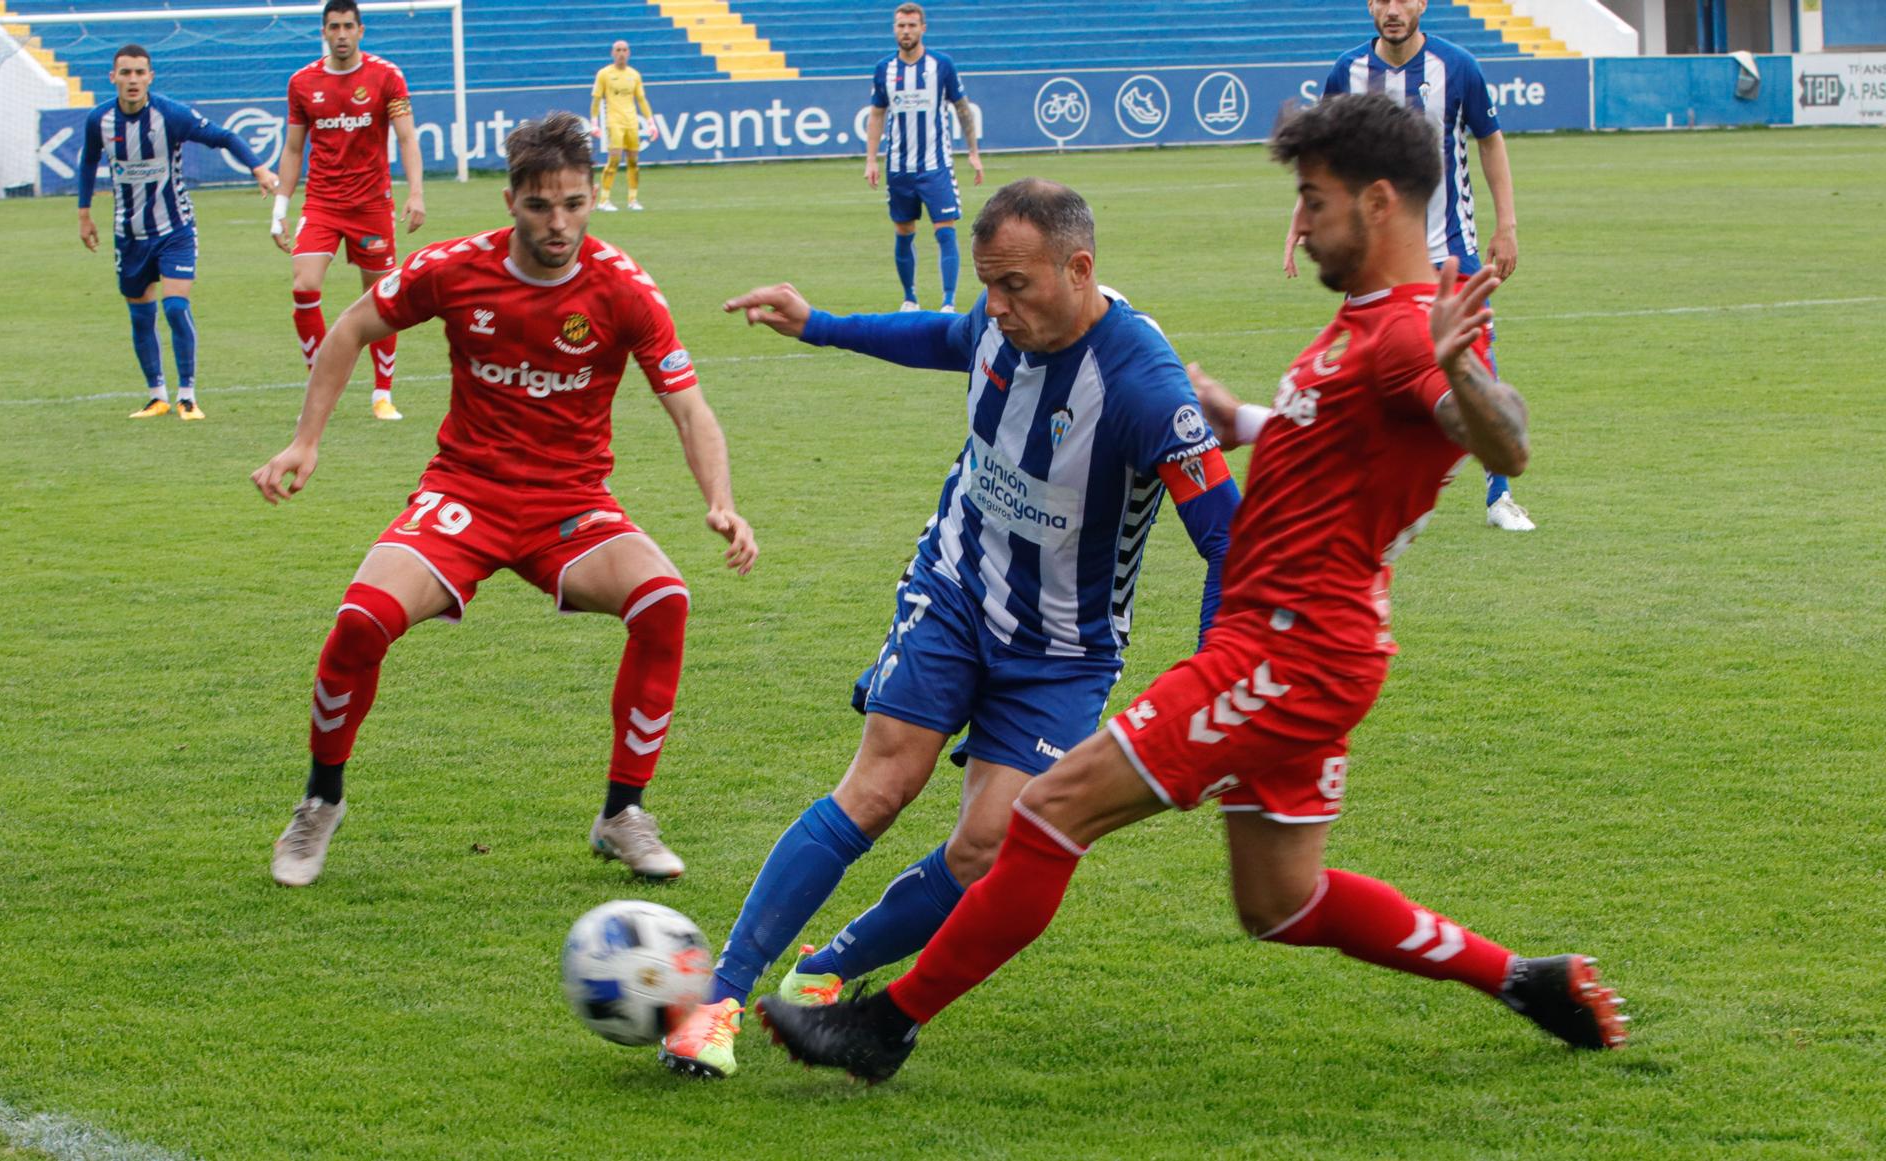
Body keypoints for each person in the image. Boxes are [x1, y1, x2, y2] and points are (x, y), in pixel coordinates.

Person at [759, 95, 1627, 1083]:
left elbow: (1502, 435)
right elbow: (1348, 442)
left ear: (1377, 203)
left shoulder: (1401, 337)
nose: (1296, 223)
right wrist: (1250, 417)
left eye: (1312, 200)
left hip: (1286, 647)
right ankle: (1521, 978)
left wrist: (1459, 374)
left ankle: (885, 1026)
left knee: (1044, 813)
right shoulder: (1359, 331)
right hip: (1322, 649)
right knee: (1279, 902)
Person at [659, 178, 1241, 1079]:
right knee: (883, 778)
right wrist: (821, 322)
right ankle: (721, 998)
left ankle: (827, 970)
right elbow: (944, 334)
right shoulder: (999, 321)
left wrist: (1210, 681)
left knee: (988, 848)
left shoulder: (1142, 386)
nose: (996, 306)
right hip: (958, 588)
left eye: (1015, 285)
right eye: (989, 284)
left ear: (1079, 269)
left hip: (1065, 648)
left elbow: (1229, 542)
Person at [250, 111, 758, 888]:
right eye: (541, 206)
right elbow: (352, 325)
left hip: (570, 507)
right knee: (360, 621)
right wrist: (305, 441)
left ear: (592, 197)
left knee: (664, 599)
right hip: (466, 494)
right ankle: (321, 800)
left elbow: (689, 406)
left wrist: (721, 499)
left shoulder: (623, 289)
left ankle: (623, 813)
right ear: (511, 199)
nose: (560, 224)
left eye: (576, 204)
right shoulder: (455, 269)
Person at [1285, 0, 1534, 532]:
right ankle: (1368, 487)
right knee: (1365, 368)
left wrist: (1506, 223)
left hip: (1451, 252)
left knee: (1473, 361)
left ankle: (1499, 497)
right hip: (1375, 258)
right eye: (1382, 0)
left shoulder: (1458, 67)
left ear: (1421, 4)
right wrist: (1302, 218)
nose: (1392, 9)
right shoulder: (1346, 72)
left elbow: (1489, 142)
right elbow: (1323, 159)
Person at [77, 44, 277, 420]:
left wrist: (259, 168)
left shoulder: (170, 115)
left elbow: (224, 137)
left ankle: (187, 395)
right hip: (129, 233)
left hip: (175, 229)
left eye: (139, 72)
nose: (132, 80)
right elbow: (88, 162)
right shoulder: (98, 120)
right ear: (113, 78)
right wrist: (84, 214)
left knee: (174, 305)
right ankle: (157, 395)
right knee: (140, 315)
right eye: (125, 73)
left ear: (150, 77)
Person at [274, 0, 425, 422]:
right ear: (323, 31)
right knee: (304, 287)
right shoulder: (303, 82)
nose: (340, 34)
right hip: (322, 203)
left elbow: (408, 138)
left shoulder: (386, 76)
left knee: (381, 299)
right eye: (333, 27)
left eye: (347, 26)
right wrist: (281, 208)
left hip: (371, 205)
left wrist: (416, 193)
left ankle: (382, 393)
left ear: (361, 30)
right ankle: (321, 379)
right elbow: (292, 148)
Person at [865, 2, 983, 312]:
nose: (906, 31)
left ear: (923, 28)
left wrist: (973, 151)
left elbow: (962, 108)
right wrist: (871, 159)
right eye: (901, 26)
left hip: (936, 166)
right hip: (899, 168)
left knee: (945, 228)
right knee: (904, 231)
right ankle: (910, 298)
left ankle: (948, 302)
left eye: (912, 25)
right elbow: (877, 115)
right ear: (894, 29)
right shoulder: (884, 69)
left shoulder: (941, 65)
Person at [591, 40, 656, 213]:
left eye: (624, 50)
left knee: (633, 161)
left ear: (629, 53)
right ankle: (604, 200)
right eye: (618, 50)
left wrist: (650, 122)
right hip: (614, 121)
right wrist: (594, 122)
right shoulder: (604, 74)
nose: (621, 53)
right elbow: (597, 99)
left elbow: (641, 99)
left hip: (632, 122)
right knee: (614, 159)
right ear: (612, 53)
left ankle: (633, 200)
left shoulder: (634, 75)